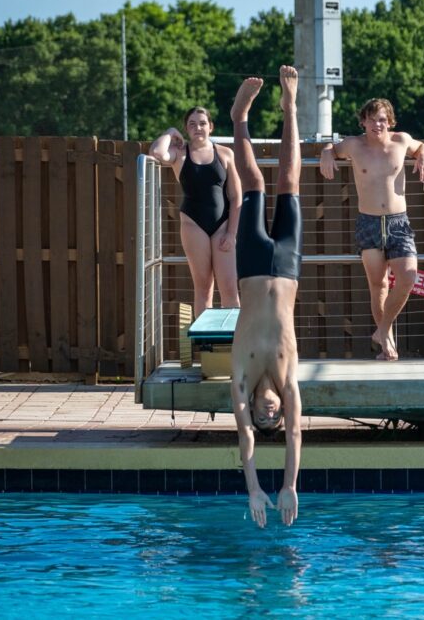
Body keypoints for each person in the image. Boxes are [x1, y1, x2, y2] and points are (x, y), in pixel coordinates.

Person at [229, 67, 303, 528]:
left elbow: (244, 439)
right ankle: (290, 108)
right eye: (272, 415)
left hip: (255, 266)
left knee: (254, 181)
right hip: (289, 266)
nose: (269, 413)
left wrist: (256, 487)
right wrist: (290, 483)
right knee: (290, 180)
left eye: (263, 416)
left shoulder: (242, 378)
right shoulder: (288, 378)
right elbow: (295, 433)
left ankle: (239, 118)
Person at [318, 98, 424, 361]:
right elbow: (331, 149)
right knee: (377, 285)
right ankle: (386, 345)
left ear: (390, 122)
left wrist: (423, 156)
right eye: (371, 119)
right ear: (363, 122)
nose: (376, 124)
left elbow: (420, 146)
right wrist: (326, 152)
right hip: (368, 222)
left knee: (408, 278)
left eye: (381, 119)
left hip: (398, 222)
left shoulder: (401, 141)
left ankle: (382, 330)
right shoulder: (354, 145)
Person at [149, 107, 241, 318]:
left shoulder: (225, 154)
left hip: (223, 227)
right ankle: (203, 345)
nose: (198, 128)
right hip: (193, 225)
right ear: (186, 130)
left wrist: (232, 234)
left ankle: (235, 344)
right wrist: (171, 132)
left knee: (229, 288)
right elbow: (156, 152)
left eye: (202, 123)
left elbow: (236, 197)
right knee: (203, 288)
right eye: (192, 124)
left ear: (211, 127)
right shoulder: (180, 154)